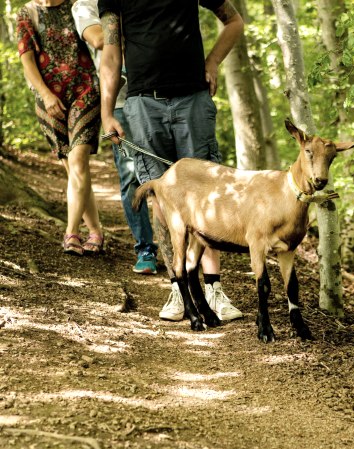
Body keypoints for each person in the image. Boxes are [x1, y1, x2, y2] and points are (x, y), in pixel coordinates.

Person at [98, 0, 244, 322]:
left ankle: (214, 289)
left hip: (193, 99)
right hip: (142, 105)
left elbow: (234, 21)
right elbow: (111, 54)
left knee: (208, 196)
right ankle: (178, 287)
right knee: (161, 199)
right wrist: (107, 112)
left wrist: (214, 61)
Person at [71, 0, 158, 274]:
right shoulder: (83, 5)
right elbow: (99, 40)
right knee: (131, 176)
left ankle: (186, 247)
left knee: (171, 171)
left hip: (159, 90)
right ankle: (145, 248)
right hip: (120, 100)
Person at [16, 0, 103, 256]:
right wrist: (45, 94)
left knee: (78, 161)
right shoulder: (28, 12)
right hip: (49, 98)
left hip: (85, 91)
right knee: (73, 168)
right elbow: (27, 59)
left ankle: (71, 233)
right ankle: (96, 231)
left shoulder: (77, 6)